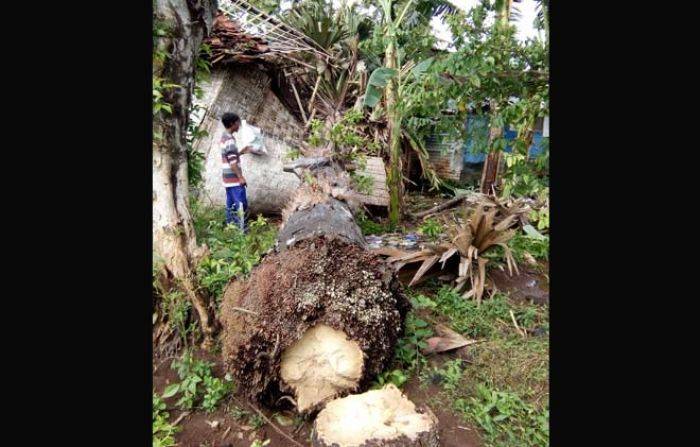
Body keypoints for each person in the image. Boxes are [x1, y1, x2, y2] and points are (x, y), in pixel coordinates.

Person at [219, 112, 253, 231]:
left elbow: (229, 157)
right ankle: (242, 231)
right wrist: (241, 177)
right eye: (238, 123)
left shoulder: (224, 137)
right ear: (232, 124)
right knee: (240, 205)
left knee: (231, 206)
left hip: (227, 180)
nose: (239, 125)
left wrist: (241, 152)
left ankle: (231, 229)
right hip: (234, 180)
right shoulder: (230, 141)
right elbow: (233, 164)